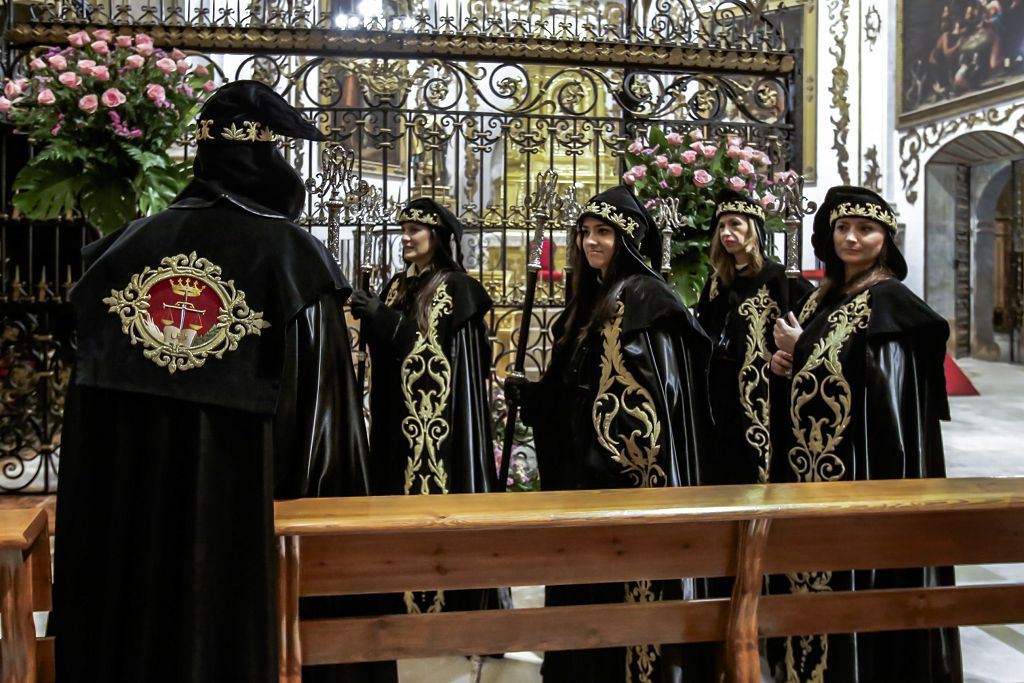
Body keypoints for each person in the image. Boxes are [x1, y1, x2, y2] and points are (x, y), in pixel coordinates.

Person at [54, 81, 395, 683]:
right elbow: (321, 427)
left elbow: (88, 416)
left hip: (131, 533)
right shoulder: (292, 262)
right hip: (247, 542)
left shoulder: (123, 253)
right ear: (267, 160)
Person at [507, 185, 715, 682]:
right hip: (585, 471)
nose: (591, 242)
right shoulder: (593, 298)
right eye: (585, 233)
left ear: (628, 239)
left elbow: (648, 397)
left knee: (622, 586)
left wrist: (607, 448)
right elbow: (572, 390)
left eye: (604, 233)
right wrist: (534, 397)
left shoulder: (645, 298)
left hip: (620, 474)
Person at [768, 186, 963, 683]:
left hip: (861, 472)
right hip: (810, 475)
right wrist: (785, 363)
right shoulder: (826, 295)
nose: (851, 238)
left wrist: (803, 344)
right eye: (842, 228)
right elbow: (816, 373)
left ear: (886, 238)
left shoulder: (890, 303)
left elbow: (887, 400)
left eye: (865, 229)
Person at [349, 197, 508, 616]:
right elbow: (391, 354)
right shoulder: (400, 284)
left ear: (436, 238)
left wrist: (380, 318)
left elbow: (431, 356)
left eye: (414, 230)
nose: (406, 238)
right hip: (395, 422)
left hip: (440, 430)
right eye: (403, 230)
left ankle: (447, 604)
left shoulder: (456, 289)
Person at [695, 189, 797, 486]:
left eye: (735, 224)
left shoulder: (778, 277)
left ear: (753, 229)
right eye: (722, 226)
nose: (727, 233)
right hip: (721, 383)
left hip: (763, 386)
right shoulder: (717, 280)